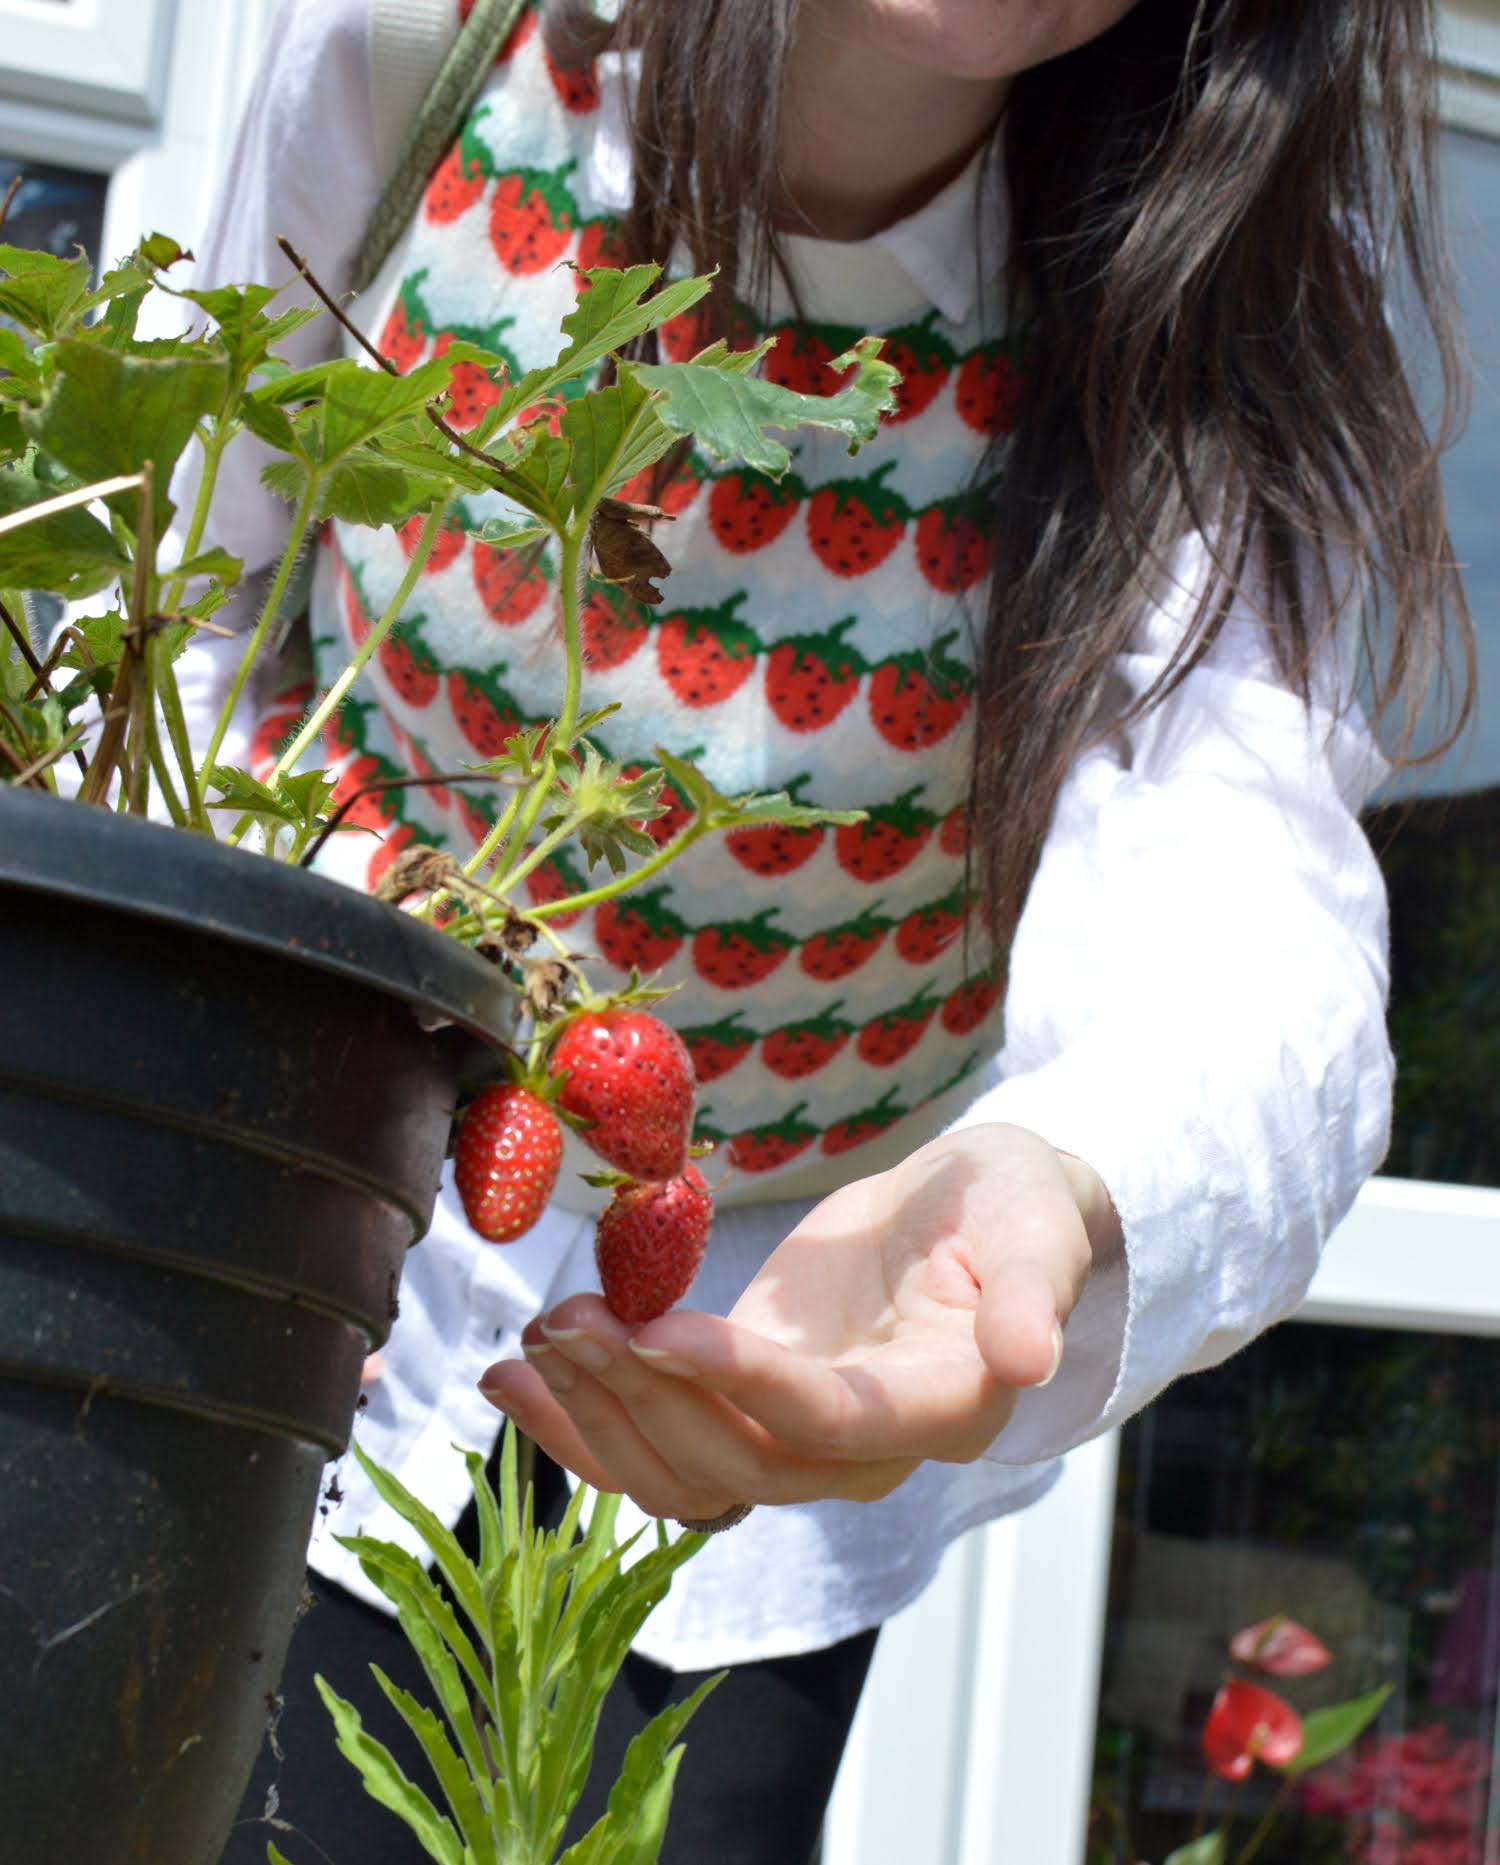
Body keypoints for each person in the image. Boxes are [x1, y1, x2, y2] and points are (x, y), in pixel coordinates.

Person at [202, 0, 1473, 1859]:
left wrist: (1050, 1175)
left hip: (767, 1375)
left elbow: (1254, 920)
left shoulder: (1213, 271)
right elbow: (195, 600)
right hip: (289, 1235)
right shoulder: (436, 47)